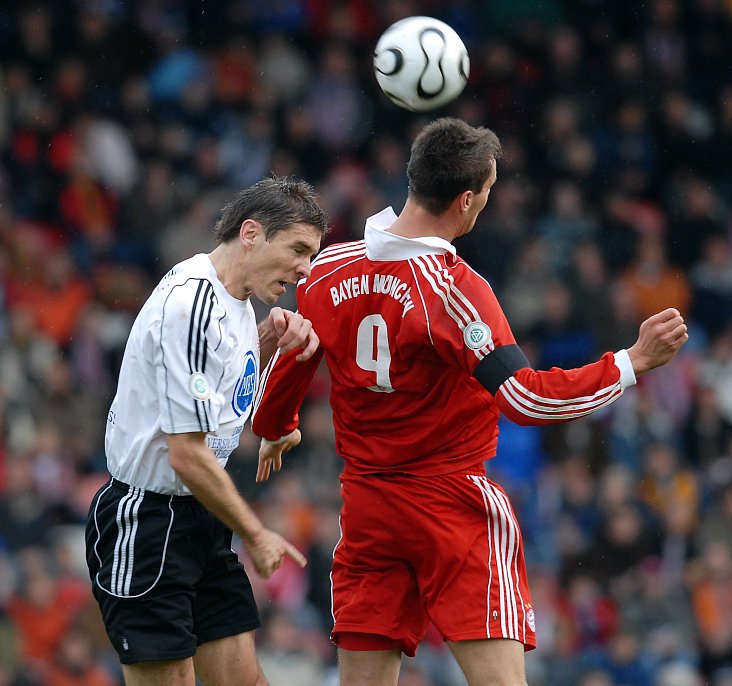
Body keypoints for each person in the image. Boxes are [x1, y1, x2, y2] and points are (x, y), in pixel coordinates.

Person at [251, 118, 689, 686]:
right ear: (466, 200)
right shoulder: (454, 290)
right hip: (449, 507)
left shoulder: (328, 269)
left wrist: (276, 421)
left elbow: (296, 345)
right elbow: (527, 399)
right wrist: (631, 363)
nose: (485, 202)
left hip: (367, 507)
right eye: (487, 192)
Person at [84, 177, 328, 686]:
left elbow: (220, 390)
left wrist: (267, 343)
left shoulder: (236, 301)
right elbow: (187, 455)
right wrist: (255, 533)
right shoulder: (192, 302)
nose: (306, 268)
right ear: (252, 233)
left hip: (199, 515)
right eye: (299, 250)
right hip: (147, 521)